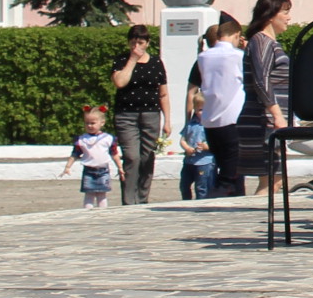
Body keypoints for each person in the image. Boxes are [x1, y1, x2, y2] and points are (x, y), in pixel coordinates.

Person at [242, 0, 293, 197]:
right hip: (264, 120)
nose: (289, 18)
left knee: (275, 179)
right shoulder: (261, 41)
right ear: (271, 15)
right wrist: (277, 115)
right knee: (271, 180)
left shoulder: (267, 42)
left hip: (270, 118)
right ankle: (260, 217)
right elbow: (261, 80)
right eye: (285, 12)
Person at [107, 28, 166, 205]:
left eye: (140, 43)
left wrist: (167, 120)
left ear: (147, 43)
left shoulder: (156, 62)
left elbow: (163, 93)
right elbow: (119, 82)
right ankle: (129, 200)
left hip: (151, 114)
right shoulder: (121, 61)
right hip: (126, 115)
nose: (136, 46)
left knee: (148, 156)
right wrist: (133, 59)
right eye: (133, 42)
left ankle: (142, 198)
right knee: (132, 157)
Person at [194, 20, 247, 197]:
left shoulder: (203, 57)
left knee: (220, 162)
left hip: (210, 118)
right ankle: (227, 192)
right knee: (232, 170)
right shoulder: (238, 56)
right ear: (236, 35)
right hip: (232, 117)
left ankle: (222, 190)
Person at [63, 106, 121, 209]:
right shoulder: (82, 139)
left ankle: (102, 213)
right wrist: (68, 167)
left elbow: (114, 153)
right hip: (88, 170)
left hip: (103, 170)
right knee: (89, 194)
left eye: (93, 123)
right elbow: (75, 154)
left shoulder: (108, 138)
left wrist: (120, 167)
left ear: (102, 123)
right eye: (87, 123)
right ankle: (87, 213)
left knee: (102, 194)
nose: (89, 126)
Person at [177, 96, 216, 201]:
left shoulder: (211, 125)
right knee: (184, 185)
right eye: (200, 110)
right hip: (190, 161)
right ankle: (186, 202)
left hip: (204, 162)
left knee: (201, 187)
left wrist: (206, 146)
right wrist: (186, 148)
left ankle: (201, 204)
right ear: (194, 109)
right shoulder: (191, 124)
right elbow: (183, 139)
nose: (202, 113)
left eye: (205, 110)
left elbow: (217, 143)